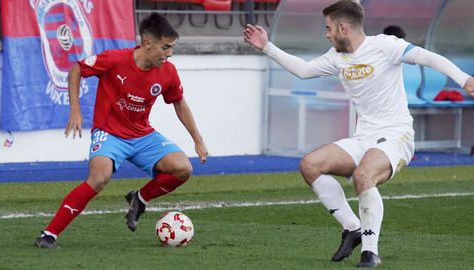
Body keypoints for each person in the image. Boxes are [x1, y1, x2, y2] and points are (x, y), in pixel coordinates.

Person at [244, 0, 474, 267]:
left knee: (363, 176)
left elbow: (428, 57)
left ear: (343, 27)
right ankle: (352, 227)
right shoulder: (336, 57)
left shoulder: (385, 46)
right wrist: (268, 47)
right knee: (310, 165)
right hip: (364, 138)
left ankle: (370, 252)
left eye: (328, 28)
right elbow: (304, 71)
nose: (326, 33)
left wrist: (464, 79)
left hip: (396, 136)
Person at [34, 12, 208, 249]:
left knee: (183, 168)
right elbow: (76, 69)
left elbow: (178, 102)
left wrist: (197, 139)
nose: (169, 54)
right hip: (110, 133)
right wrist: (75, 110)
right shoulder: (115, 60)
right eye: (165, 47)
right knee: (99, 178)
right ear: (147, 44)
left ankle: (140, 198)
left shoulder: (168, 72)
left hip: (142, 134)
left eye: (172, 47)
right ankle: (49, 234)